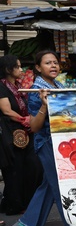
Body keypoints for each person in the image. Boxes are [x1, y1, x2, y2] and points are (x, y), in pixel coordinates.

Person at [10, 50, 76, 226]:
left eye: (55, 62)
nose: (53, 66)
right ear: (38, 68)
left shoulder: (58, 85)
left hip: (61, 142)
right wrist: (44, 106)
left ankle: (27, 225)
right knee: (60, 186)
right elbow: (35, 126)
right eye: (48, 63)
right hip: (47, 143)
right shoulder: (37, 90)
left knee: (48, 184)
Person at [0, 55, 43, 217]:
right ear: (7, 70)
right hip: (11, 132)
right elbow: (6, 110)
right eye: (17, 67)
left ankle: (24, 201)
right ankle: (14, 204)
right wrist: (24, 119)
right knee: (14, 169)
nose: (21, 70)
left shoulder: (19, 85)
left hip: (25, 131)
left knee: (30, 167)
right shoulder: (2, 87)